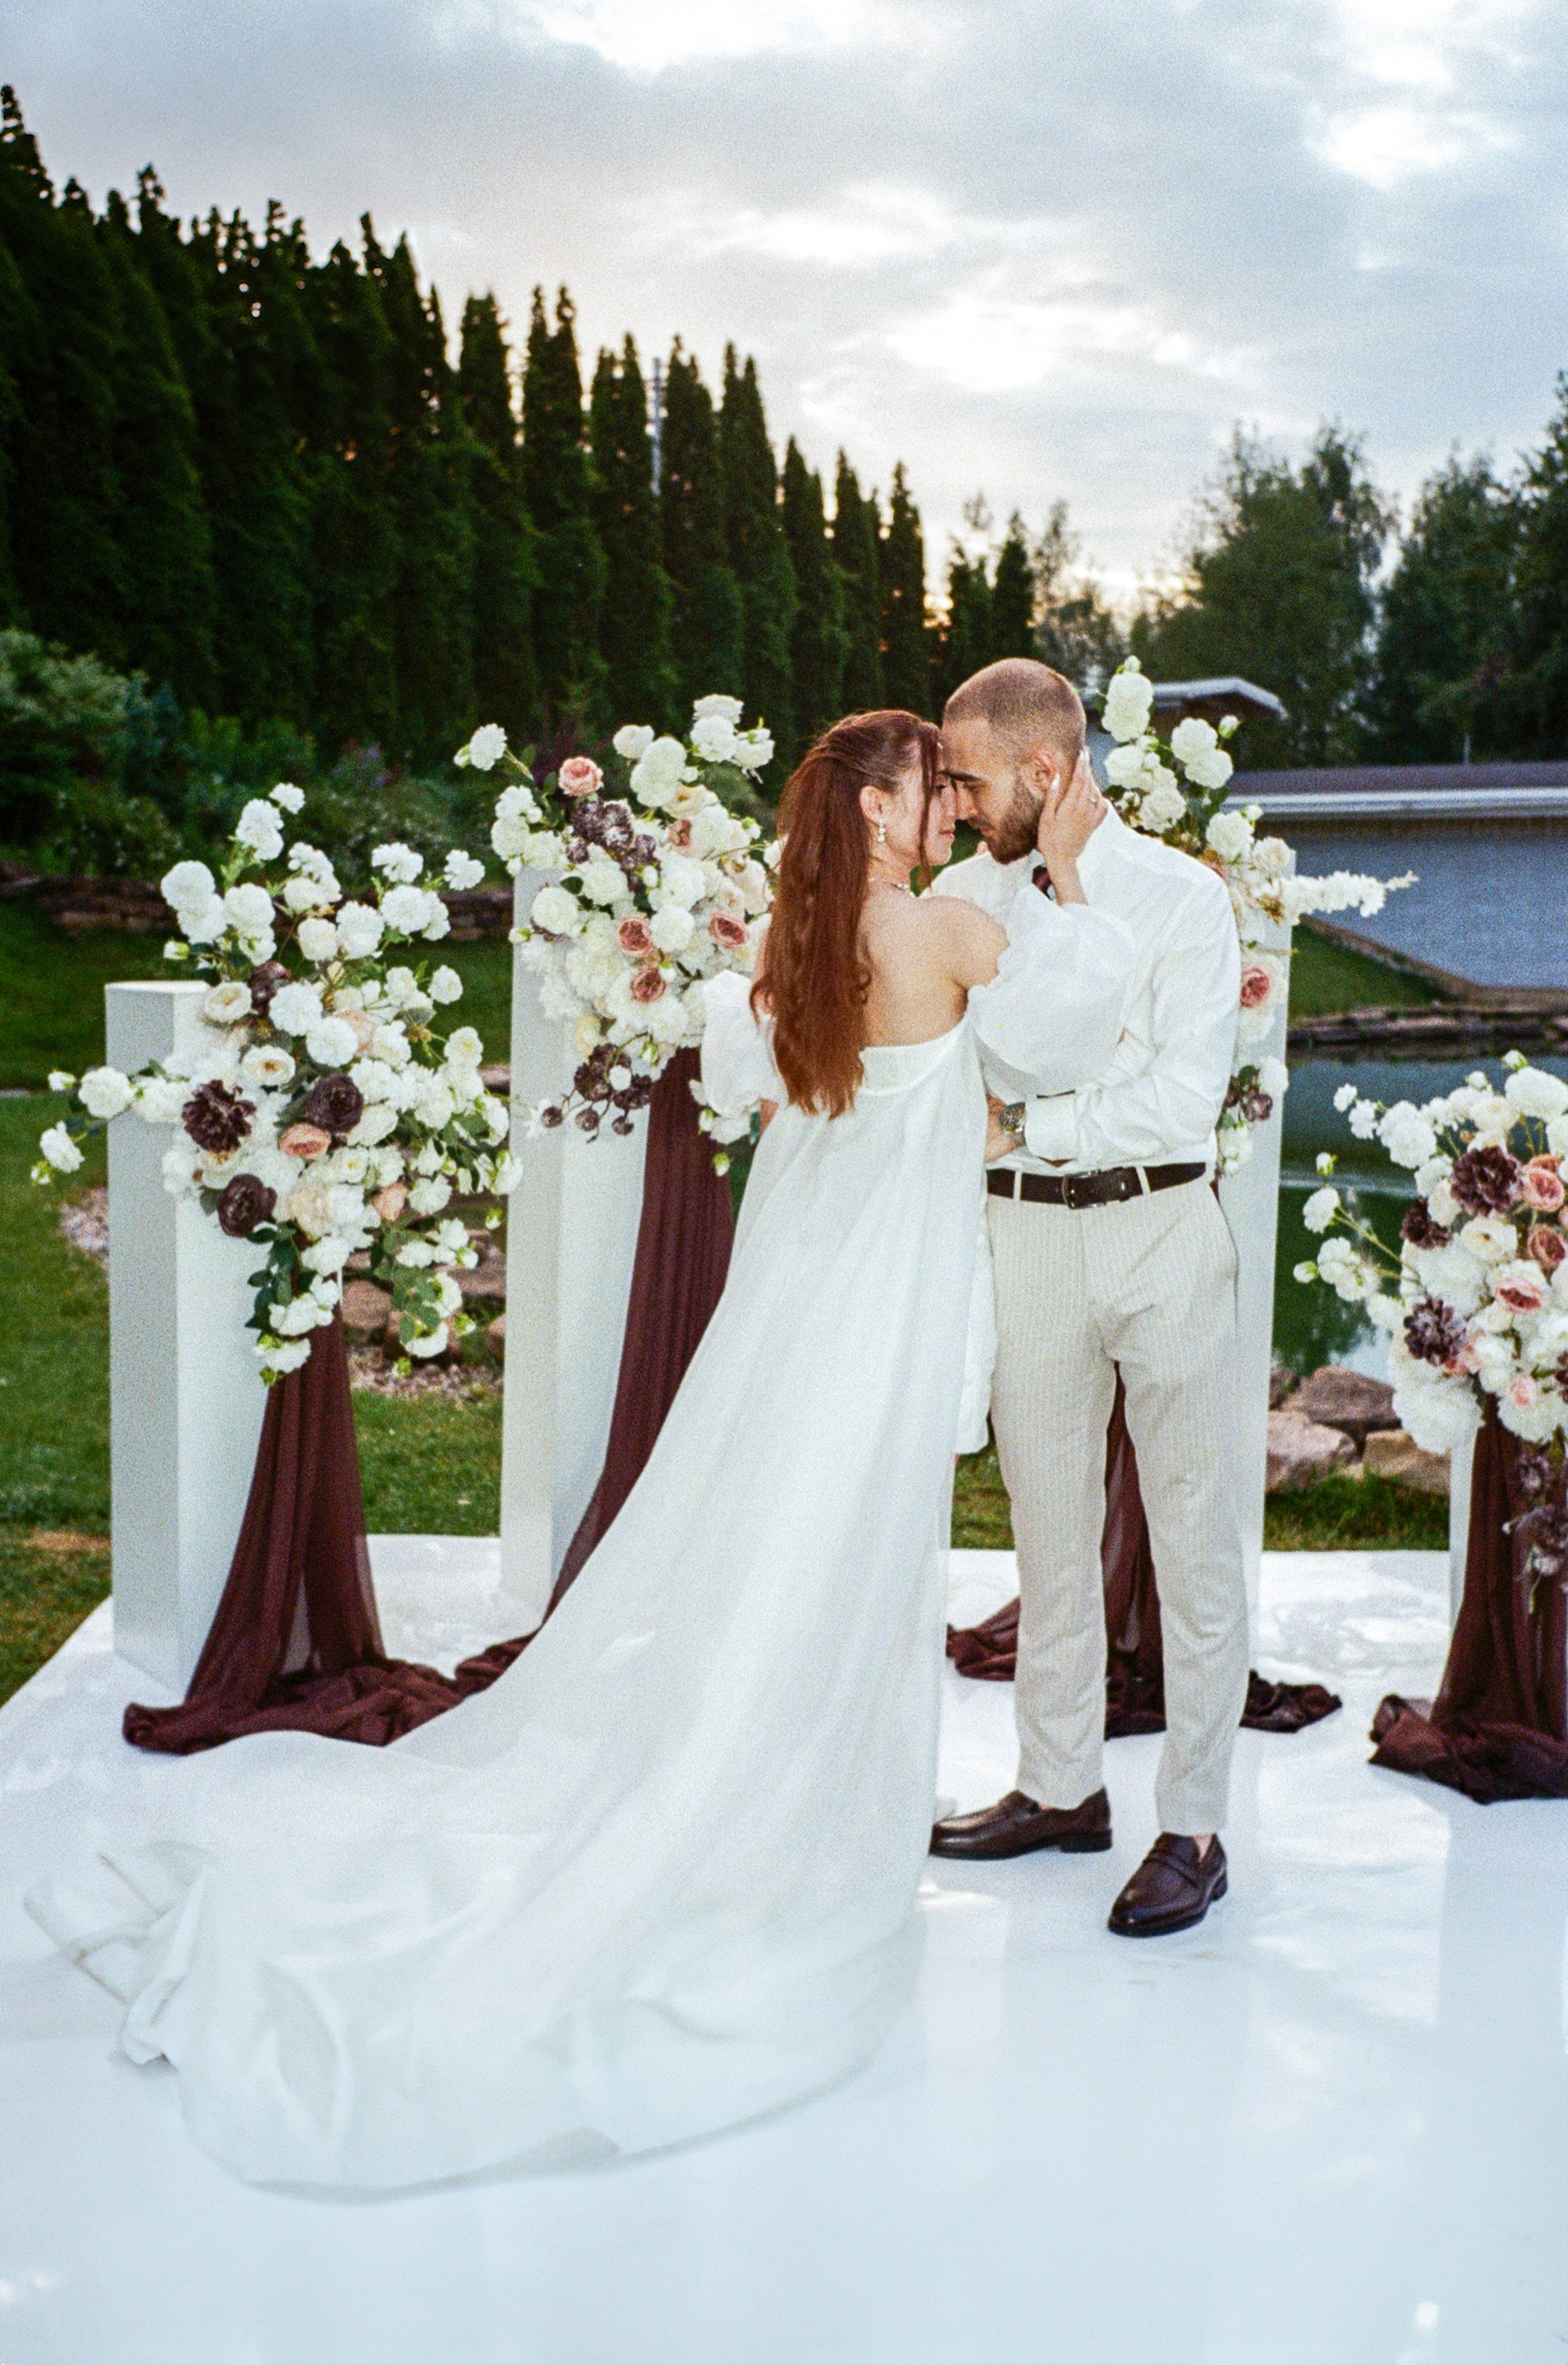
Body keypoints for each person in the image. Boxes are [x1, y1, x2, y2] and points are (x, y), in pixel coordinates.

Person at [28, 709, 1133, 2191]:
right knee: (835, 1564)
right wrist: (1064, 871)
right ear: (876, 810)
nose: (945, 803)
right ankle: (773, 1841)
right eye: (928, 785)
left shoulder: (791, 964)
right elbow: (1077, 1024)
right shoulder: (940, 931)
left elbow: (772, 1096)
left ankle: (741, 1801)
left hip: (784, 1312)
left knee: (761, 1548)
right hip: (867, 1322)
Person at [929, 658, 1248, 1941]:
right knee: (1049, 1526)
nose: (953, 804)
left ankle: (1197, 1823)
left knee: (1191, 1530)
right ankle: (1060, 1789)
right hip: (1028, 1246)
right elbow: (952, 1079)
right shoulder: (962, 897)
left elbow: (1183, 1097)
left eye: (967, 777)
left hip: (1165, 1230)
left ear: (1046, 773)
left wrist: (1030, 1121)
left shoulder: (1184, 900)